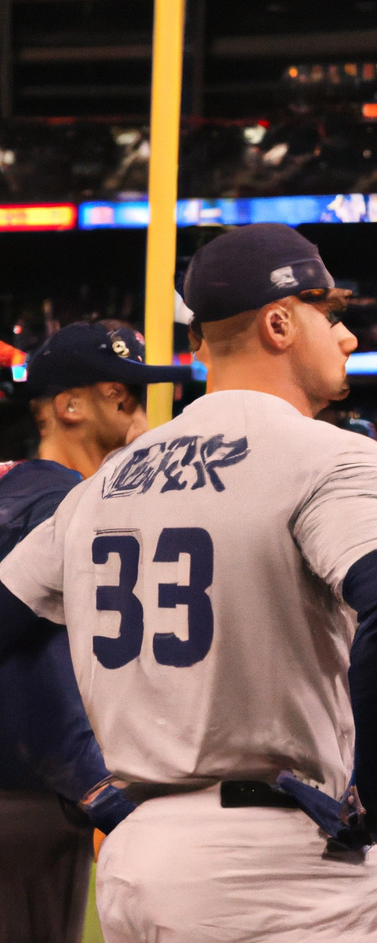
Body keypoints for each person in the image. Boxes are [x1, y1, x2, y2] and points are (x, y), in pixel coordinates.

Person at [0, 223, 377, 942]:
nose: (347, 337)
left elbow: (7, 624)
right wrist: (376, 791)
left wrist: (80, 777)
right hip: (276, 863)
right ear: (280, 322)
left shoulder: (110, 477)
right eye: (328, 314)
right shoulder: (327, 456)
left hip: (136, 856)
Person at [0, 320, 189, 943]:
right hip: (26, 804)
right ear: (67, 406)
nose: (140, 412)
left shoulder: (18, 488)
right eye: (123, 394)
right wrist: (98, 789)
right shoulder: (63, 504)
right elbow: (33, 666)